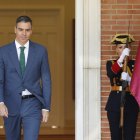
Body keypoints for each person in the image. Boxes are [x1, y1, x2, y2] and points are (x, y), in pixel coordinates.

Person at [0, 15, 51, 140]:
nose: (24, 33)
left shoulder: (40, 51)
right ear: (15, 29)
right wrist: (0, 102)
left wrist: (46, 107)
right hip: (10, 104)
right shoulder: (3, 52)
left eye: (27, 30)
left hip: (32, 103)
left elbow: (46, 79)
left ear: (31, 31)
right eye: (20, 29)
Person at [105, 34, 139, 140]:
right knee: (115, 135)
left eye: (126, 47)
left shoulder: (135, 64)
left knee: (130, 135)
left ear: (130, 49)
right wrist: (121, 58)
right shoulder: (111, 63)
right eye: (120, 47)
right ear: (116, 50)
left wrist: (130, 79)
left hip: (131, 101)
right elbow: (111, 74)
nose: (123, 49)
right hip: (115, 101)